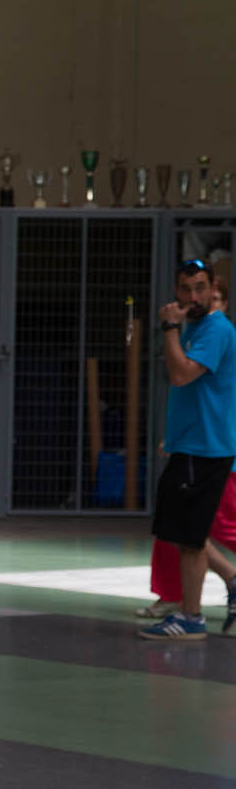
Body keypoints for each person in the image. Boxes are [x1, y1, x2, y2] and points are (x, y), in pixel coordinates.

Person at [139, 259, 236, 640]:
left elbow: (181, 375)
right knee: (179, 530)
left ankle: (191, 616)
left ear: (213, 289)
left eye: (200, 288)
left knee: (190, 537)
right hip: (189, 444)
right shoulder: (195, 326)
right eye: (185, 288)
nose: (193, 296)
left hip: (206, 449)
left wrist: (169, 328)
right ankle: (230, 578)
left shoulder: (215, 329)